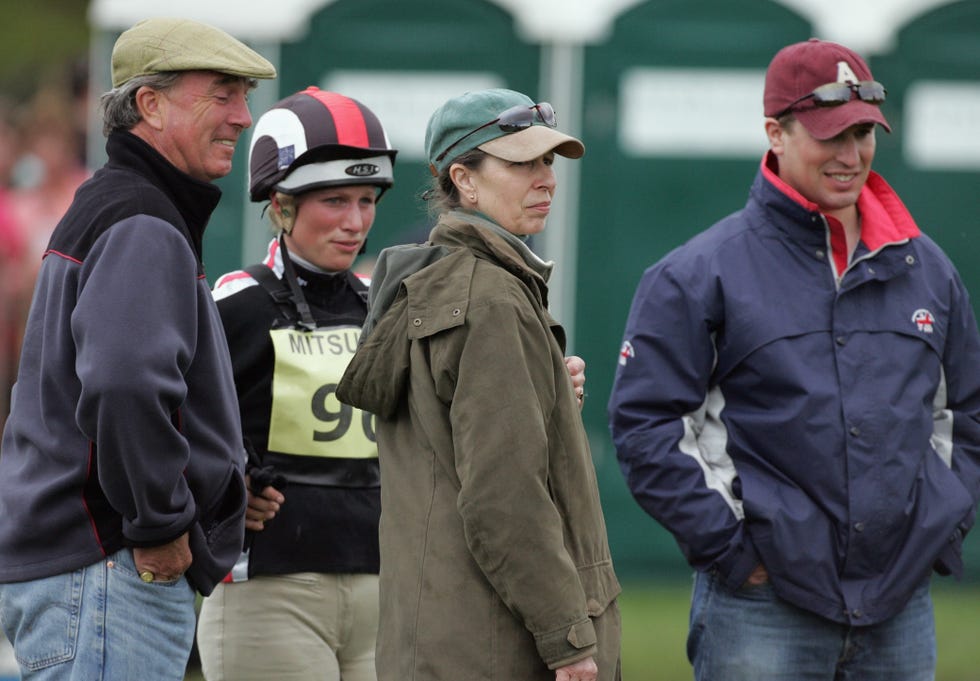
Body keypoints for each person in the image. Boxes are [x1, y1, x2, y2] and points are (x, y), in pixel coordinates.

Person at [608, 38, 980, 681]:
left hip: (901, 608)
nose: (851, 154)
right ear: (774, 133)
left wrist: (938, 529)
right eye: (830, 135)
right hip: (760, 606)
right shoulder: (698, 274)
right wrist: (733, 552)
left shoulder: (928, 271)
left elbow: (967, 412)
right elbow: (647, 426)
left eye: (864, 133)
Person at [0, 17, 275, 680]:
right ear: (149, 104)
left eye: (244, 95)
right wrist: (159, 523)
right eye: (222, 94)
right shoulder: (141, 218)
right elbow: (125, 386)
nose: (243, 116)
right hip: (111, 568)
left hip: (88, 568)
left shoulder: (120, 205)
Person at [337, 87, 621, 681]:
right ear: (463, 179)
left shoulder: (442, 280)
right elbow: (503, 496)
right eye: (521, 163)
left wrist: (545, 399)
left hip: (443, 638)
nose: (546, 178)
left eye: (549, 161)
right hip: (496, 647)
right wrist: (567, 641)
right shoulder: (491, 299)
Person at [196, 86, 398, 681]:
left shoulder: (386, 306)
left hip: (383, 589)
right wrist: (227, 489)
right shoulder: (238, 302)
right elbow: (169, 419)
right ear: (280, 206)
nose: (355, 221)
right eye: (334, 200)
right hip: (269, 591)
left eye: (366, 199)